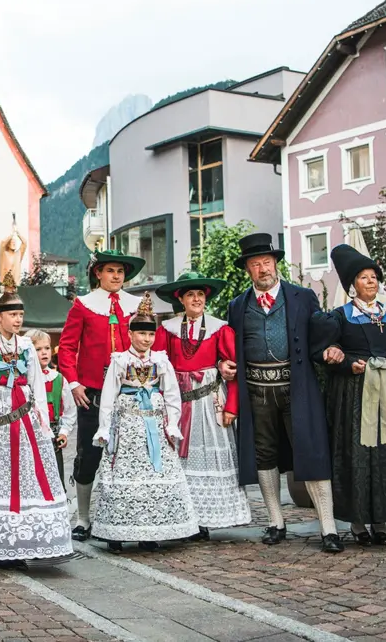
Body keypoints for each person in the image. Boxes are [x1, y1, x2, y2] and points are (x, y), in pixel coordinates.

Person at [221, 233, 346, 553]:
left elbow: (319, 339)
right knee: (264, 455)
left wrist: (331, 348)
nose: (262, 269)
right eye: (254, 264)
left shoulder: (302, 297)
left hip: (297, 388)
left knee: (313, 452)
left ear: (275, 264)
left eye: (266, 262)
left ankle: (328, 528)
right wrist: (224, 364)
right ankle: (276, 521)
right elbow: (229, 349)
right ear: (247, 270)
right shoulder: (237, 306)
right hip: (257, 391)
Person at [310, 245, 386, 546]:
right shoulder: (339, 318)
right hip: (354, 396)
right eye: (364, 278)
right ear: (353, 284)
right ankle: (357, 523)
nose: (371, 281)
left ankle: (382, 522)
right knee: (358, 455)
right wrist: (347, 362)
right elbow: (323, 355)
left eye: (374, 277)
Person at [0, 272, 73, 565]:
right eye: (12, 314)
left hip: (25, 423)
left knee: (27, 477)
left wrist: (43, 423)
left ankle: (26, 539)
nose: (18, 319)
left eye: (21, 314)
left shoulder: (25, 346)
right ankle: (0, 542)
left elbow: (36, 384)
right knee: (0, 478)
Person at [91, 292, 199, 551]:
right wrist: (105, 428)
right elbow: (108, 397)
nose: (146, 339)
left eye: (150, 335)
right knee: (123, 475)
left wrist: (172, 424)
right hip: (126, 427)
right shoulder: (120, 360)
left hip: (155, 424)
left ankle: (150, 531)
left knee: (154, 473)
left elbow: (172, 394)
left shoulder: (160, 360)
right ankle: (116, 532)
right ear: (130, 334)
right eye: (141, 334)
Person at [57, 248, 145, 541]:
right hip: (92, 393)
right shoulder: (83, 305)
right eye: (110, 271)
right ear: (98, 273)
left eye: (120, 271)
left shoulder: (137, 306)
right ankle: (83, 518)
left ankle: (126, 517)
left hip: (130, 391)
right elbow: (67, 348)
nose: (116, 276)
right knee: (89, 454)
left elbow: (150, 344)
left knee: (129, 455)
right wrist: (73, 383)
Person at [153, 272, 250, 538]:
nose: (196, 299)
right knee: (178, 460)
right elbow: (159, 366)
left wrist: (232, 405)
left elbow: (233, 369)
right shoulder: (168, 330)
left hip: (209, 403)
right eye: (190, 295)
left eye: (200, 295)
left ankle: (205, 520)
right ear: (180, 299)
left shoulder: (220, 328)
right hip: (177, 403)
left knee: (208, 457)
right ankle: (182, 517)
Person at [25, 329, 76, 491]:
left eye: (47, 348)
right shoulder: (23, 380)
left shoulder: (58, 379)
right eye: (38, 349)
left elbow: (69, 410)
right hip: (28, 436)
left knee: (54, 481)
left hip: (52, 436)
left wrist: (64, 431)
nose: (44, 353)